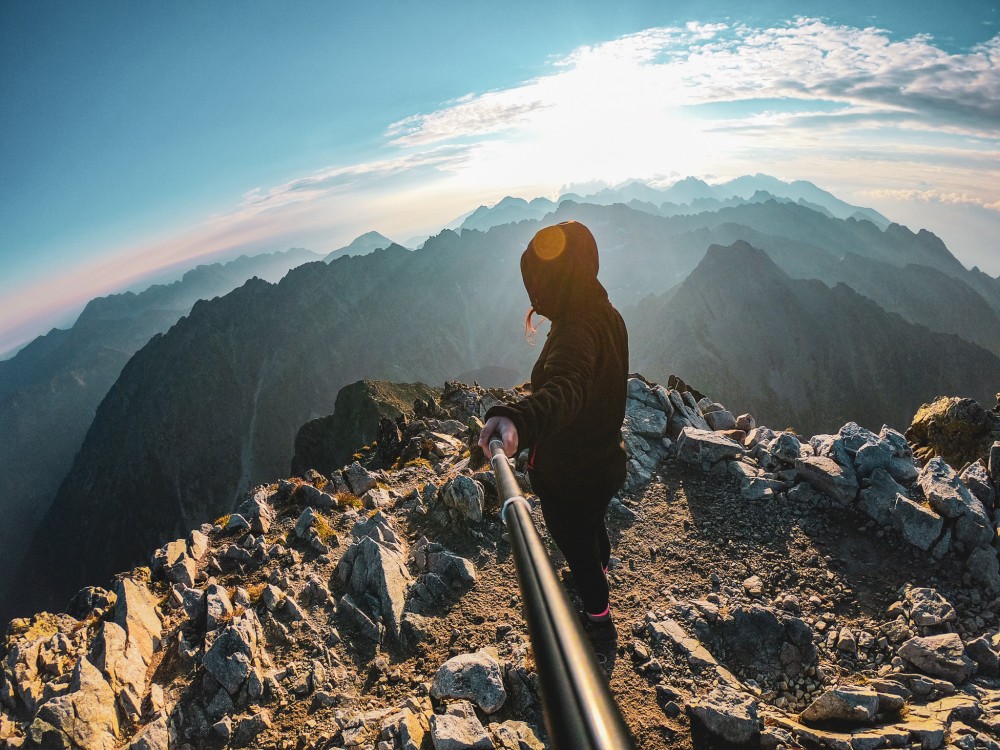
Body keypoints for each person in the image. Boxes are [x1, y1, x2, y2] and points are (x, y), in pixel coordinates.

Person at [478, 220, 628, 638]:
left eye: (538, 284)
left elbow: (567, 386)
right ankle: (601, 563)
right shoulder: (606, 315)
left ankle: (598, 619)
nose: (535, 298)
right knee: (592, 523)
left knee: (572, 538)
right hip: (605, 461)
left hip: (573, 474)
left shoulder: (575, 332)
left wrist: (518, 420)